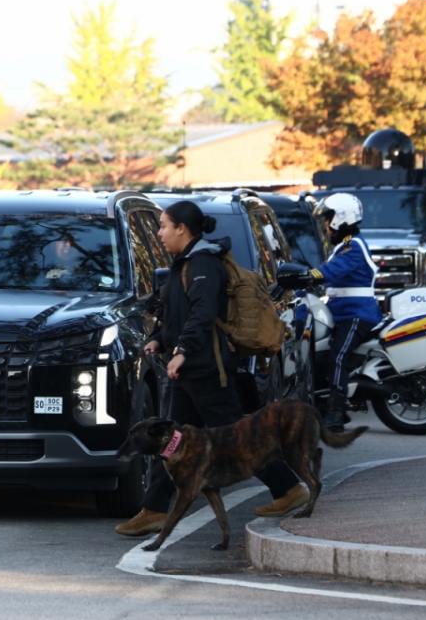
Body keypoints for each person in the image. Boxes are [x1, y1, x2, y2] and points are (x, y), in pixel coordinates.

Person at [116, 201, 308, 538]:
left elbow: (203, 315)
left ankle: (289, 489)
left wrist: (182, 352)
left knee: (238, 437)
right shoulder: (184, 263)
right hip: (189, 371)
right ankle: (154, 509)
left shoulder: (204, 264)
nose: (159, 233)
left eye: (163, 226)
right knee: (170, 439)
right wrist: (159, 338)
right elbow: (176, 314)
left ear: (182, 228)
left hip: (207, 369)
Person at [312, 193, 381, 432]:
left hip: (356, 314)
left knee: (338, 355)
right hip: (342, 313)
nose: (326, 225)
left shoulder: (353, 247)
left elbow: (333, 270)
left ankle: (337, 412)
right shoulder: (347, 245)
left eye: (328, 218)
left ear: (340, 218)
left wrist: (307, 276)